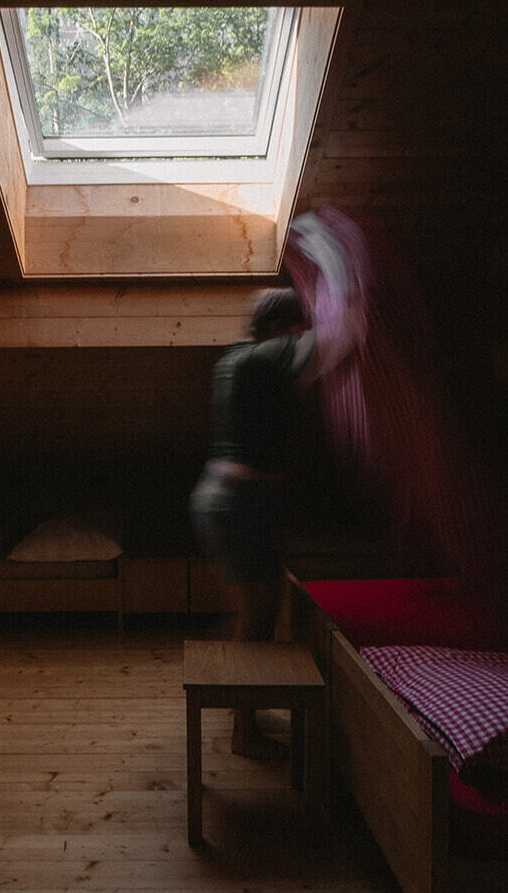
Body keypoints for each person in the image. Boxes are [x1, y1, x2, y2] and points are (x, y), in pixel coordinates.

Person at [189, 287, 314, 758]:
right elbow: (330, 339)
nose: (300, 334)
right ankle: (243, 729)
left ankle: (234, 694)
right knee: (257, 614)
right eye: (296, 326)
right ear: (279, 328)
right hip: (239, 501)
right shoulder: (261, 356)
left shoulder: (240, 359)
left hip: (238, 499)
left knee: (261, 609)